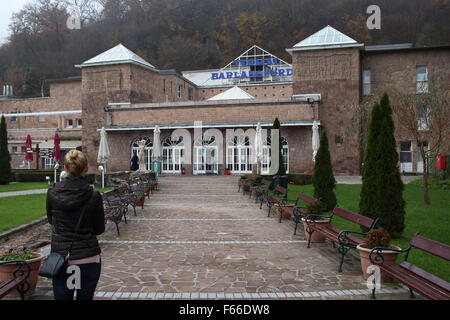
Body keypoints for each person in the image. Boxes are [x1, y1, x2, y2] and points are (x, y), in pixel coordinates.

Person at [46, 150, 105, 300]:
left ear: (65, 168)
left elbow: (52, 221)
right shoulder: (93, 195)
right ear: (85, 169)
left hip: (62, 258)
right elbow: (99, 229)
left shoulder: (52, 192)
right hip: (88, 258)